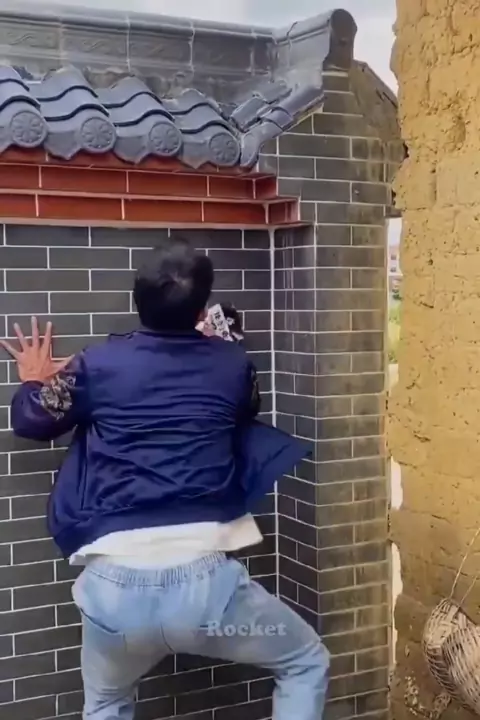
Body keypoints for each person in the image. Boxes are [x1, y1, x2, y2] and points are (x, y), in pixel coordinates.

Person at [2, 237, 330, 720]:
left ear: (137, 301)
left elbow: (32, 420)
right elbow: (244, 409)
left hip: (114, 596)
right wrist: (211, 346)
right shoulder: (233, 364)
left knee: (107, 703)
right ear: (200, 307)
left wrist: (35, 378)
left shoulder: (97, 364)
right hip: (209, 597)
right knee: (304, 661)